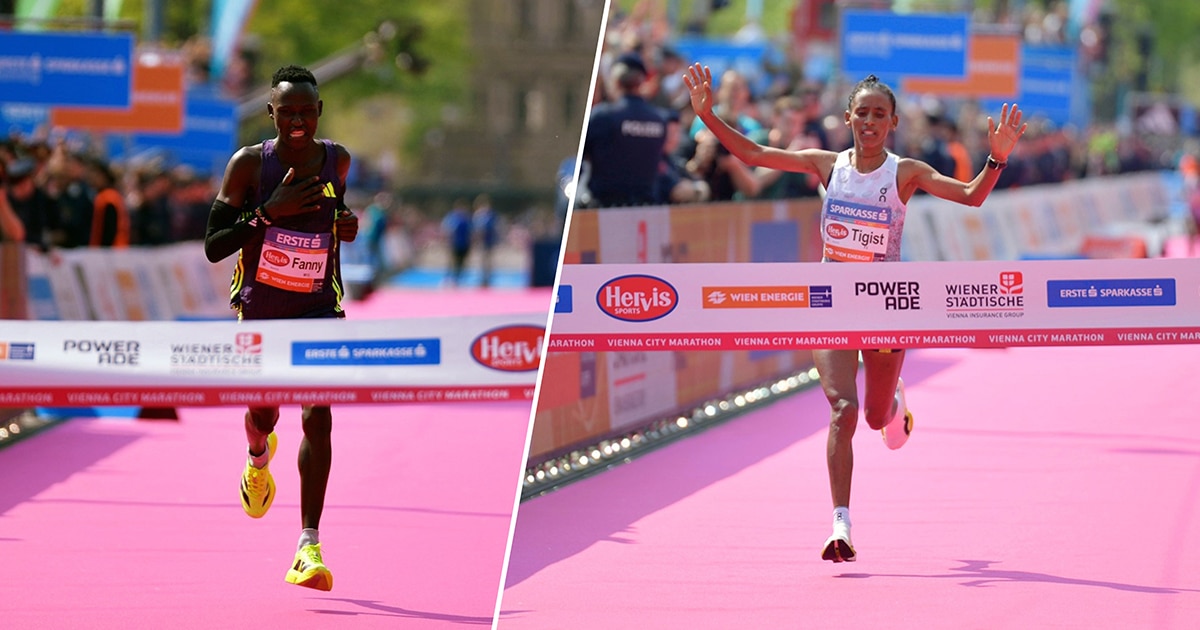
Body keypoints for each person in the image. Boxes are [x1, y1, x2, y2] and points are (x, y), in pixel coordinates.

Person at [685, 63, 1026, 563]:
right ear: (847, 117)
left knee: (872, 418)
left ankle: (894, 404)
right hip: (832, 303)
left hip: (886, 308)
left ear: (892, 123)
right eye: (861, 112)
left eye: (879, 115)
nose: (869, 122)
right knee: (842, 410)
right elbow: (756, 154)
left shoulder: (905, 172)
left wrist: (995, 160)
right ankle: (839, 523)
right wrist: (708, 116)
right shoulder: (828, 165)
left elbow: (971, 197)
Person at [203, 64, 358, 591]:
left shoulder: (337, 160)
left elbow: (338, 214)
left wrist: (346, 223)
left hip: (319, 305)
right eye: (286, 111)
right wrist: (267, 214)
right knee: (264, 413)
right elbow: (214, 244)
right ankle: (256, 456)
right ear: (271, 112)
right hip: (262, 307)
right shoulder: (248, 165)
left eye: (306, 111)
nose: (297, 120)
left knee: (319, 414)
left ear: (319, 112)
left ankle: (308, 545)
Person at [582, 52, 667, 207]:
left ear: (615, 82)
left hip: (604, 208)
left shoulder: (603, 116)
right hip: (645, 210)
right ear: (642, 82)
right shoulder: (659, 119)